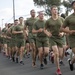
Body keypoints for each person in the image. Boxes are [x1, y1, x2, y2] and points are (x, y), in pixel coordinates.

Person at [44, 5, 64, 75]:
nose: (55, 11)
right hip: (52, 38)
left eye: (56, 9)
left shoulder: (61, 19)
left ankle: (52, 56)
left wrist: (62, 32)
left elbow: (65, 27)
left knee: (61, 55)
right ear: (51, 11)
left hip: (60, 38)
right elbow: (44, 29)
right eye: (54, 9)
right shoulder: (48, 21)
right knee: (57, 53)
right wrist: (47, 33)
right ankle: (58, 69)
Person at [61, 1, 75, 71]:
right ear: (73, 7)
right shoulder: (68, 18)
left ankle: (71, 62)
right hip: (73, 38)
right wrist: (69, 31)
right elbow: (61, 28)